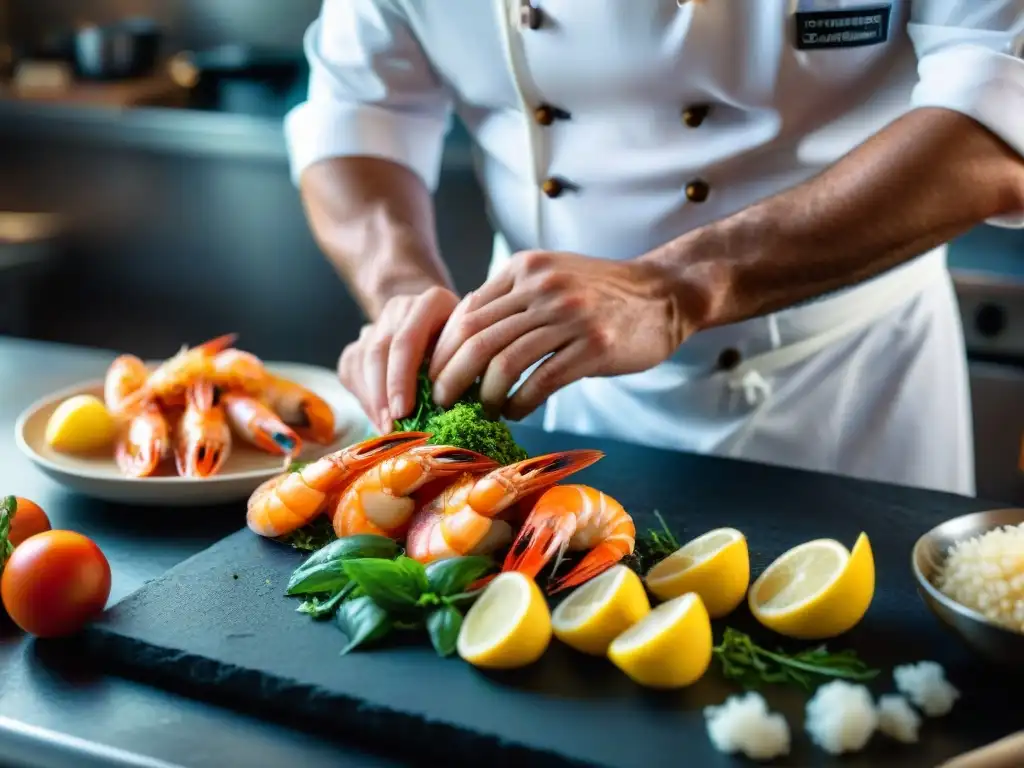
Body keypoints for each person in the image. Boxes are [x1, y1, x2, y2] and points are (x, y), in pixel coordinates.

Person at [285, 0, 1024, 496]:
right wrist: (403, 294)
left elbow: (996, 124)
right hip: (535, 387)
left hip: (846, 397)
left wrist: (678, 286)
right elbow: (361, 107)